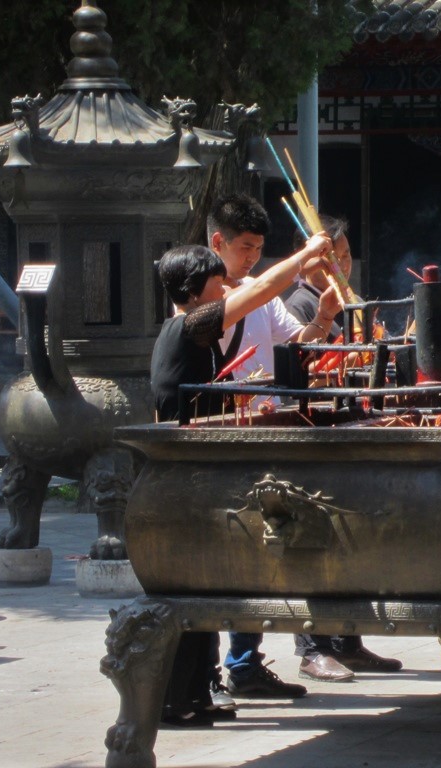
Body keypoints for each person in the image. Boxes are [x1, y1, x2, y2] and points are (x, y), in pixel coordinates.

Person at [151, 234, 337, 725]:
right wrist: (302, 258)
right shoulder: (187, 324)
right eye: (220, 281)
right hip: (181, 478)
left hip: (198, 474)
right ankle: (178, 697)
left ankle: (196, 691)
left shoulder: (198, 333)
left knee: (204, 592)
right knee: (190, 594)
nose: (229, 288)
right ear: (196, 288)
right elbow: (258, 293)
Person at [204, 194, 347, 702]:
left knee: (264, 552)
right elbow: (266, 285)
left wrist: (326, 314)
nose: (250, 258)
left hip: (267, 431)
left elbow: (298, 342)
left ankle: (245, 662)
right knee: (225, 558)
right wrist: (303, 258)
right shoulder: (202, 297)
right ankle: (212, 672)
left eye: (258, 249)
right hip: (223, 434)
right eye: (244, 247)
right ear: (217, 242)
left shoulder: (263, 293)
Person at [284, 214, 404, 683]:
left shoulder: (350, 304)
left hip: (350, 429)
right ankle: (314, 647)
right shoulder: (298, 305)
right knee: (315, 542)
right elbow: (302, 367)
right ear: (307, 261)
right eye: (331, 257)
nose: (342, 264)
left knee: (352, 538)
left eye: (347, 255)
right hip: (314, 432)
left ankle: (349, 639)